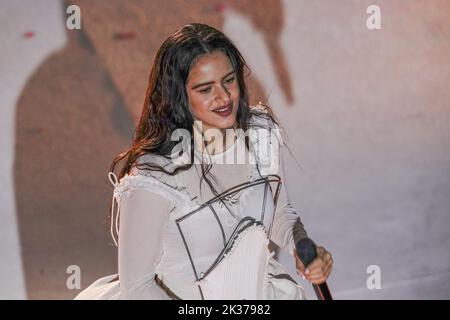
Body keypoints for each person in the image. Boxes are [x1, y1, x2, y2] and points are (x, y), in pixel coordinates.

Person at [74, 23, 332, 300]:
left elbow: (279, 212)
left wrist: (302, 246)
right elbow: (138, 286)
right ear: (179, 97)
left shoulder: (260, 135)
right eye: (205, 89)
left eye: (229, 80)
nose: (224, 97)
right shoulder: (154, 176)